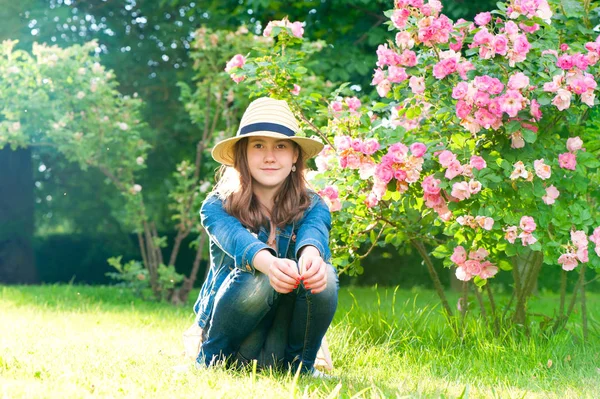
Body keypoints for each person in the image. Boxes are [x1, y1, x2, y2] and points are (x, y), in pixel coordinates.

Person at [189, 97, 338, 376]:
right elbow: (237, 240)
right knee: (259, 275)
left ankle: (300, 369)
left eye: (280, 146)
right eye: (258, 145)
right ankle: (209, 364)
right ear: (243, 154)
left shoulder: (314, 205)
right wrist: (270, 265)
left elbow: (314, 232)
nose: (270, 156)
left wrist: (311, 258)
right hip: (234, 343)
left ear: (295, 155)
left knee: (325, 274)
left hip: (283, 342)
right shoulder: (218, 206)